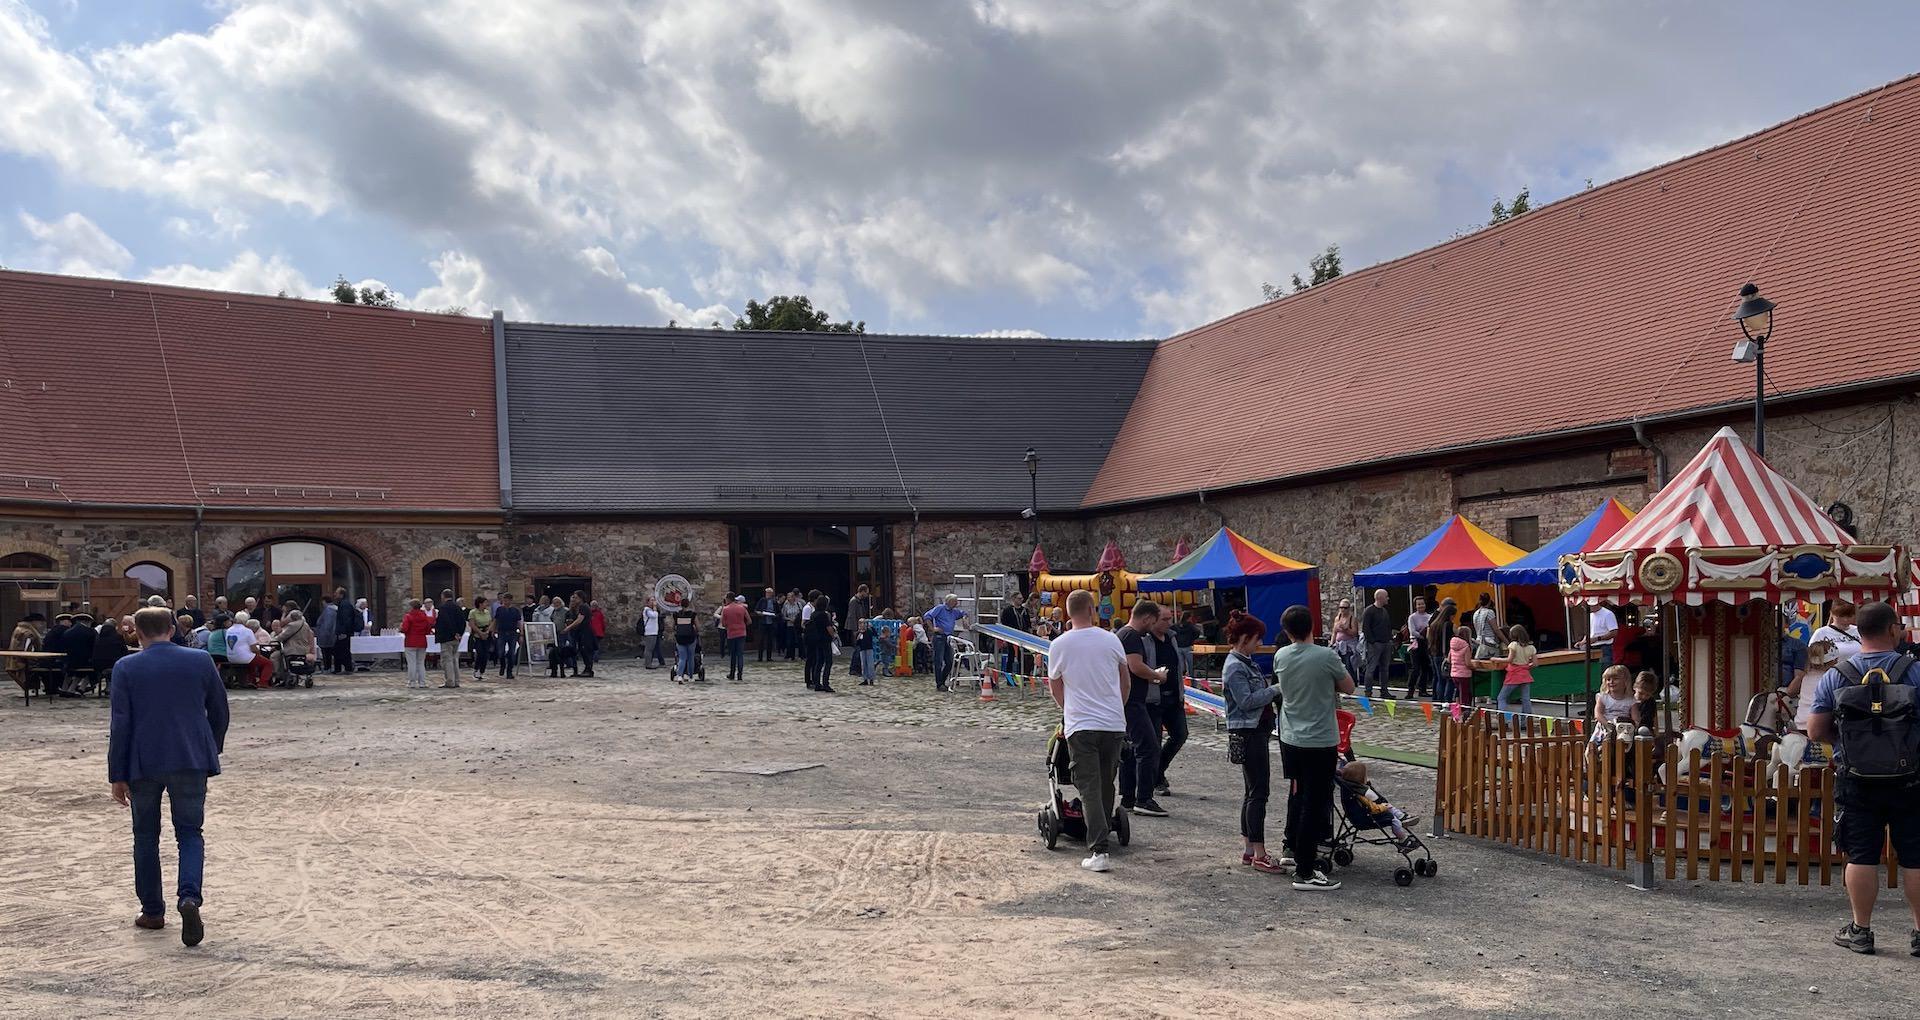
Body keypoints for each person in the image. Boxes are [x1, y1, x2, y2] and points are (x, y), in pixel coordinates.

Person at [108, 606, 228, 947]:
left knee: (145, 836)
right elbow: (219, 711)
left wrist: (117, 773)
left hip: (142, 761)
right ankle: (189, 897)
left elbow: (120, 724)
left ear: (137, 633)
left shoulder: (126, 667)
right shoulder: (201, 660)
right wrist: (210, 748)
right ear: (172, 629)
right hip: (190, 757)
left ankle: (152, 910)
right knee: (190, 833)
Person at [1805, 601, 1920, 956]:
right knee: (1915, 857)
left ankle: (1861, 930)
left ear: (1860, 631)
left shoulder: (1837, 675)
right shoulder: (1916, 672)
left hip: (1856, 778)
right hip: (1911, 778)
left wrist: (1846, 742)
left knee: (1861, 855)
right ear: (1893, 630)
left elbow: (1815, 731)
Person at [1046, 588, 1129, 874]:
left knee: (1089, 786)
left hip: (1081, 724)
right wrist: (1117, 707)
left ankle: (1099, 848)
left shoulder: (1059, 644)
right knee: (1106, 783)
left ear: (1068, 613)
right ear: (1092, 610)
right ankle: (1102, 835)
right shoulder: (1111, 640)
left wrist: (1068, 709)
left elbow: (1055, 685)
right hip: (1113, 723)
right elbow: (1125, 680)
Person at [1274, 603, 1354, 891]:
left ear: (1286, 631)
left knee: (1298, 795)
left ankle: (1293, 848)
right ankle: (1305, 870)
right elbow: (1349, 686)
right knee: (1315, 802)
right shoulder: (1325, 656)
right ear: (1312, 627)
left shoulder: (1281, 655)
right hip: (1319, 739)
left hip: (1290, 737)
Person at [1221, 609, 1285, 874]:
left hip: (1256, 731)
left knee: (1251, 792)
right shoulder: (1235, 666)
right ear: (1245, 638)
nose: (1260, 643)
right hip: (1249, 733)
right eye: (1257, 638)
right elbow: (1246, 701)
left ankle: (1249, 850)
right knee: (1259, 793)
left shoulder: (1246, 662)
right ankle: (1260, 853)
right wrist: (1275, 689)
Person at [1114, 600, 1169, 817]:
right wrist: (1157, 676)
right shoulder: (1132, 636)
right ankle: (1144, 799)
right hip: (1132, 702)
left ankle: (1128, 797)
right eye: (1154, 622)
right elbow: (1135, 666)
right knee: (1149, 748)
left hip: (1127, 701)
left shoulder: (1122, 634)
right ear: (1146, 618)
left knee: (1130, 750)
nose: (1153, 627)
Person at [1151, 606, 1187, 797]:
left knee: (1180, 735)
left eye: (1170, 619)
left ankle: (1158, 770)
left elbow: (1177, 665)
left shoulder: (1171, 637)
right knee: (1154, 741)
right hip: (1154, 699)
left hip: (1174, 696)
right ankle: (1155, 779)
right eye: (1164, 619)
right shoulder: (1145, 639)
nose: (1169, 623)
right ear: (1153, 620)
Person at [1337, 760, 1413, 843]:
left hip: (1361, 815)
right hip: (1368, 817)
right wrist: (1383, 807)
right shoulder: (1363, 792)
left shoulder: (1350, 788)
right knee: (1394, 820)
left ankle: (1401, 816)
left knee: (1389, 807)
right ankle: (1402, 839)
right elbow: (1374, 806)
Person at [922, 595, 971, 693]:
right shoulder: (940, 608)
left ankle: (942, 681)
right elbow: (927, 616)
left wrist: (965, 619)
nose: (957, 603)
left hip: (949, 638)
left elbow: (964, 613)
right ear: (949, 601)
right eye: (955, 601)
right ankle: (939, 684)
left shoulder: (954, 611)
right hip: (939, 637)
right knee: (938, 661)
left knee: (950, 662)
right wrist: (933, 628)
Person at [1359, 588, 1394, 699]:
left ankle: (1384, 691)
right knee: (1371, 668)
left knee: (1385, 668)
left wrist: (1390, 640)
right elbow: (1366, 628)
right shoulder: (1369, 611)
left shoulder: (1384, 611)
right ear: (1380, 597)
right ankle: (1368, 691)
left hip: (1386, 643)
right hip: (1375, 644)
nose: (1388, 598)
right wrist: (1372, 642)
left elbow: (1388, 626)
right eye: (1386, 596)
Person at [1497, 624, 1536, 715]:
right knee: (1526, 699)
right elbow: (1535, 663)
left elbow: (1509, 660)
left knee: (1501, 697)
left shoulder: (1513, 645)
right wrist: (1526, 666)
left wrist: (1496, 659)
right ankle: (1526, 720)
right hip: (1525, 674)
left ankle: (1504, 718)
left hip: (1513, 674)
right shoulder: (1531, 647)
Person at [1592, 664, 1636, 744]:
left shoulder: (1630, 700)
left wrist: (1634, 725)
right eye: (1608, 679)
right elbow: (1598, 714)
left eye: (1615, 679)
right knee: (1605, 737)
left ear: (1625, 681)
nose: (1611, 682)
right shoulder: (1603, 697)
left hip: (1623, 727)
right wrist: (1607, 724)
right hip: (1606, 725)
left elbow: (1635, 718)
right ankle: (1598, 747)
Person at [433, 590, 468, 689]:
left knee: (447, 660)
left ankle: (450, 681)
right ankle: (456, 681)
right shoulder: (457, 607)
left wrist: (454, 633)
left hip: (447, 637)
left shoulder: (443, 608)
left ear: (443, 596)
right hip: (456, 638)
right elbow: (463, 622)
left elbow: (446, 622)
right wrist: (459, 633)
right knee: (455, 659)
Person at [1426, 599, 1458, 702]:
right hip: (1446, 655)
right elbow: (1457, 637)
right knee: (1449, 679)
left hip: (1435, 654)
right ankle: (1447, 700)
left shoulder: (1434, 624)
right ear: (1450, 615)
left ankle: (1439, 701)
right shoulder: (1450, 625)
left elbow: (1428, 637)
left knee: (1440, 679)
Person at [271, 609, 314, 683]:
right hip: (304, 649)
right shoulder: (305, 624)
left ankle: (278, 676)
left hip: (293, 649)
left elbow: (283, 636)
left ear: (292, 617)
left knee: (274, 656)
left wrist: (273, 640)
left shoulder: (292, 625)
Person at [398, 599, 433, 689]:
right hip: (422, 641)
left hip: (410, 641)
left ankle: (412, 682)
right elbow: (428, 629)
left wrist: (400, 628)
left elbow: (405, 629)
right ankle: (422, 682)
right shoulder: (424, 616)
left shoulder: (408, 616)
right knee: (421, 663)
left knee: (411, 663)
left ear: (411, 607)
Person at [807, 595, 837, 693]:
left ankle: (817, 683)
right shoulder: (823, 615)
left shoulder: (813, 614)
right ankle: (825, 683)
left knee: (819, 661)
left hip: (817, 639)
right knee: (828, 662)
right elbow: (828, 627)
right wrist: (833, 635)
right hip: (825, 639)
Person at [1405, 596, 1432, 699]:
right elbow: (1412, 631)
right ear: (1415, 606)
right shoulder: (1412, 617)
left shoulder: (1429, 617)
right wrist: (1421, 635)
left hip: (1426, 643)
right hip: (1415, 643)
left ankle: (1422, 690)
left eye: (1422, 604)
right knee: (1415, 668)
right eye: (1419, 604)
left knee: (1425, 667)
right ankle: (1410, 690)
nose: (1421, 606)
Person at [330, 587, 360, 674]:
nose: (335, 595)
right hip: (343, 632)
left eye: (336, 593)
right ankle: (339, 668)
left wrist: (343, 632)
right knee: (338, 650)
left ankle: (347, 668)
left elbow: (346, 619)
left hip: (344, 632)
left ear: (341, 595)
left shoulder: (345, 605)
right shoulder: (343, 604)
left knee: (342, 650)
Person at [721, 595, 751, 681]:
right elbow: (749, 620)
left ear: (728, 599)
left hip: (731, 634)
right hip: (741, 633)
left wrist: (729, 625)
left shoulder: (725, 609)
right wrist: (742, 625)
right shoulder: (742, 608)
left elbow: (723, 624)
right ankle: (740, 675)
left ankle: (732, 673)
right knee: (740, 654)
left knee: (733, 655)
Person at [492, 596, 522, 679]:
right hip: (502, 632)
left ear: (511, 601)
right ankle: (502, 664)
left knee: (512, 653)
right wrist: (493, 630)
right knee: (500, 652)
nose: (505, 602)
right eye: (504, 600)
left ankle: (509, 671)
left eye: (507, 600)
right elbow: (495, 620)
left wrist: (521, 634)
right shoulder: (499, 610)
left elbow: (519, 622)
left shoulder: (515, 610)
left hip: (512, 633)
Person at [1330, 598, 1360, 682]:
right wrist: (1332, 643)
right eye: (1341, 607)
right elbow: (1334, 632)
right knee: (1339, 665)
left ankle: (1351, 682)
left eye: (1345, 608)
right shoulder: (1337, 618)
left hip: (1348, 646)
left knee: (1348, 665)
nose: (1342, 610)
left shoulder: (1352, 619)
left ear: (1348, 608)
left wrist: (1345, 629)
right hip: (1338, 645)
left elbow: (1355, 633)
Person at [1583, 601, 1619, 668]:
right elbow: (1589, 632)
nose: (1585, 608)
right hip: (1591, 648)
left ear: (1594, 604)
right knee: (1594, 671)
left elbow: (1614, 632)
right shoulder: (1590, 615)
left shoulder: (1608, 614)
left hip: (1605, 648)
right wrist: (1582, 642)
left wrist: (1597, 639)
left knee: (1605, 670)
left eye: (1586, 606)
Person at [468, 596, 495, 680]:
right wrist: (480, 633)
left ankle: (482, 671)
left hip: (486, 634)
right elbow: (472, 624)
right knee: (480, 653)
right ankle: (476, 669)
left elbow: (490, 622)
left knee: (486, 654)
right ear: (480, 604)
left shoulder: (487, 612)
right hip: (477, 635)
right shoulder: (473, 612)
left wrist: (488, 631)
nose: (487, 604)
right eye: (485, 602)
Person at [672, 600, 700, 682]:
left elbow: (673, 627)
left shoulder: (676, 615)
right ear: (688, 605)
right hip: (690, 638)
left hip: (680, 638)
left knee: (682, 658)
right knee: (690, 658)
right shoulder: (692, 615)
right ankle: (690, 676)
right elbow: (698, 627)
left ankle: (680, 675)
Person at [1471, 592, 1502, 659]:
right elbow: (1496, 630)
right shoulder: (1489, 612)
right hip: (1489, 643)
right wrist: (1507, 642)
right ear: (1489, 601)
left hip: (1479, 642)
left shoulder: (1475, 613)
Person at [1449, 624, 1474, 706]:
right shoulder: (1466, 646)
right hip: (1464, 674)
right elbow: (1467, 663)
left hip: (1454, 673)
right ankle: (1465, 709)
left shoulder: (1452, 644)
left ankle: (1457, 708)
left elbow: (1449, 659)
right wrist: (1473, 667)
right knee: (1465, 694)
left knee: (1458, 691)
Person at [313, 594, 338, 673]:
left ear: (324, 601)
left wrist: (324, 634)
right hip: (332, 635)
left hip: (326, 635)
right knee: (330, 652)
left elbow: (327, 624)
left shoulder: (328, 610)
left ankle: (327, 668)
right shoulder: (334, 609)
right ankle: (329, 667)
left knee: (326, 652)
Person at [755, 587, 778, 662]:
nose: (767, 594)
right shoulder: (762, 600)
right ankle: (760, 657)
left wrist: (775, 615)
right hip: (763, 622)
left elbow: (778, 612)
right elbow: (756, 610)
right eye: (767, 593)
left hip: (771, 623)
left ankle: (769, 657)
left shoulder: (774, 602)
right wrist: (759, 613)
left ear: (772, 594)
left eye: (769, 593)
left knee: (770, 640)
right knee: (761, 640)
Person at [641, 597, 664, 669]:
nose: (653, 602)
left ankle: (649, 663)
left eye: (654, 600)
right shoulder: (647, 610)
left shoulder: (651, 610)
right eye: (652, 600)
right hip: (650, 632)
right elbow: (654, 615)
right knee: (649, 649)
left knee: (651, 649)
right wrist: (654, 607)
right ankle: (648, 664)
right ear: (648, 602)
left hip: (654, 632)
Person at [781, 591, 803, 660]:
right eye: (787, 597)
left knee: (799, 640)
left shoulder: (798, 604)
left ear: (793, 597)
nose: (788, 598)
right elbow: (783, 616)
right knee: (790, 641)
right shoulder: (786, 605)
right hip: (789, 625)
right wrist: (789, 619)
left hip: (797, 625)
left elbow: (801, 613)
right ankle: (791, 656)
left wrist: (797, 619)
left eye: (789, 597)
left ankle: (801, 656)